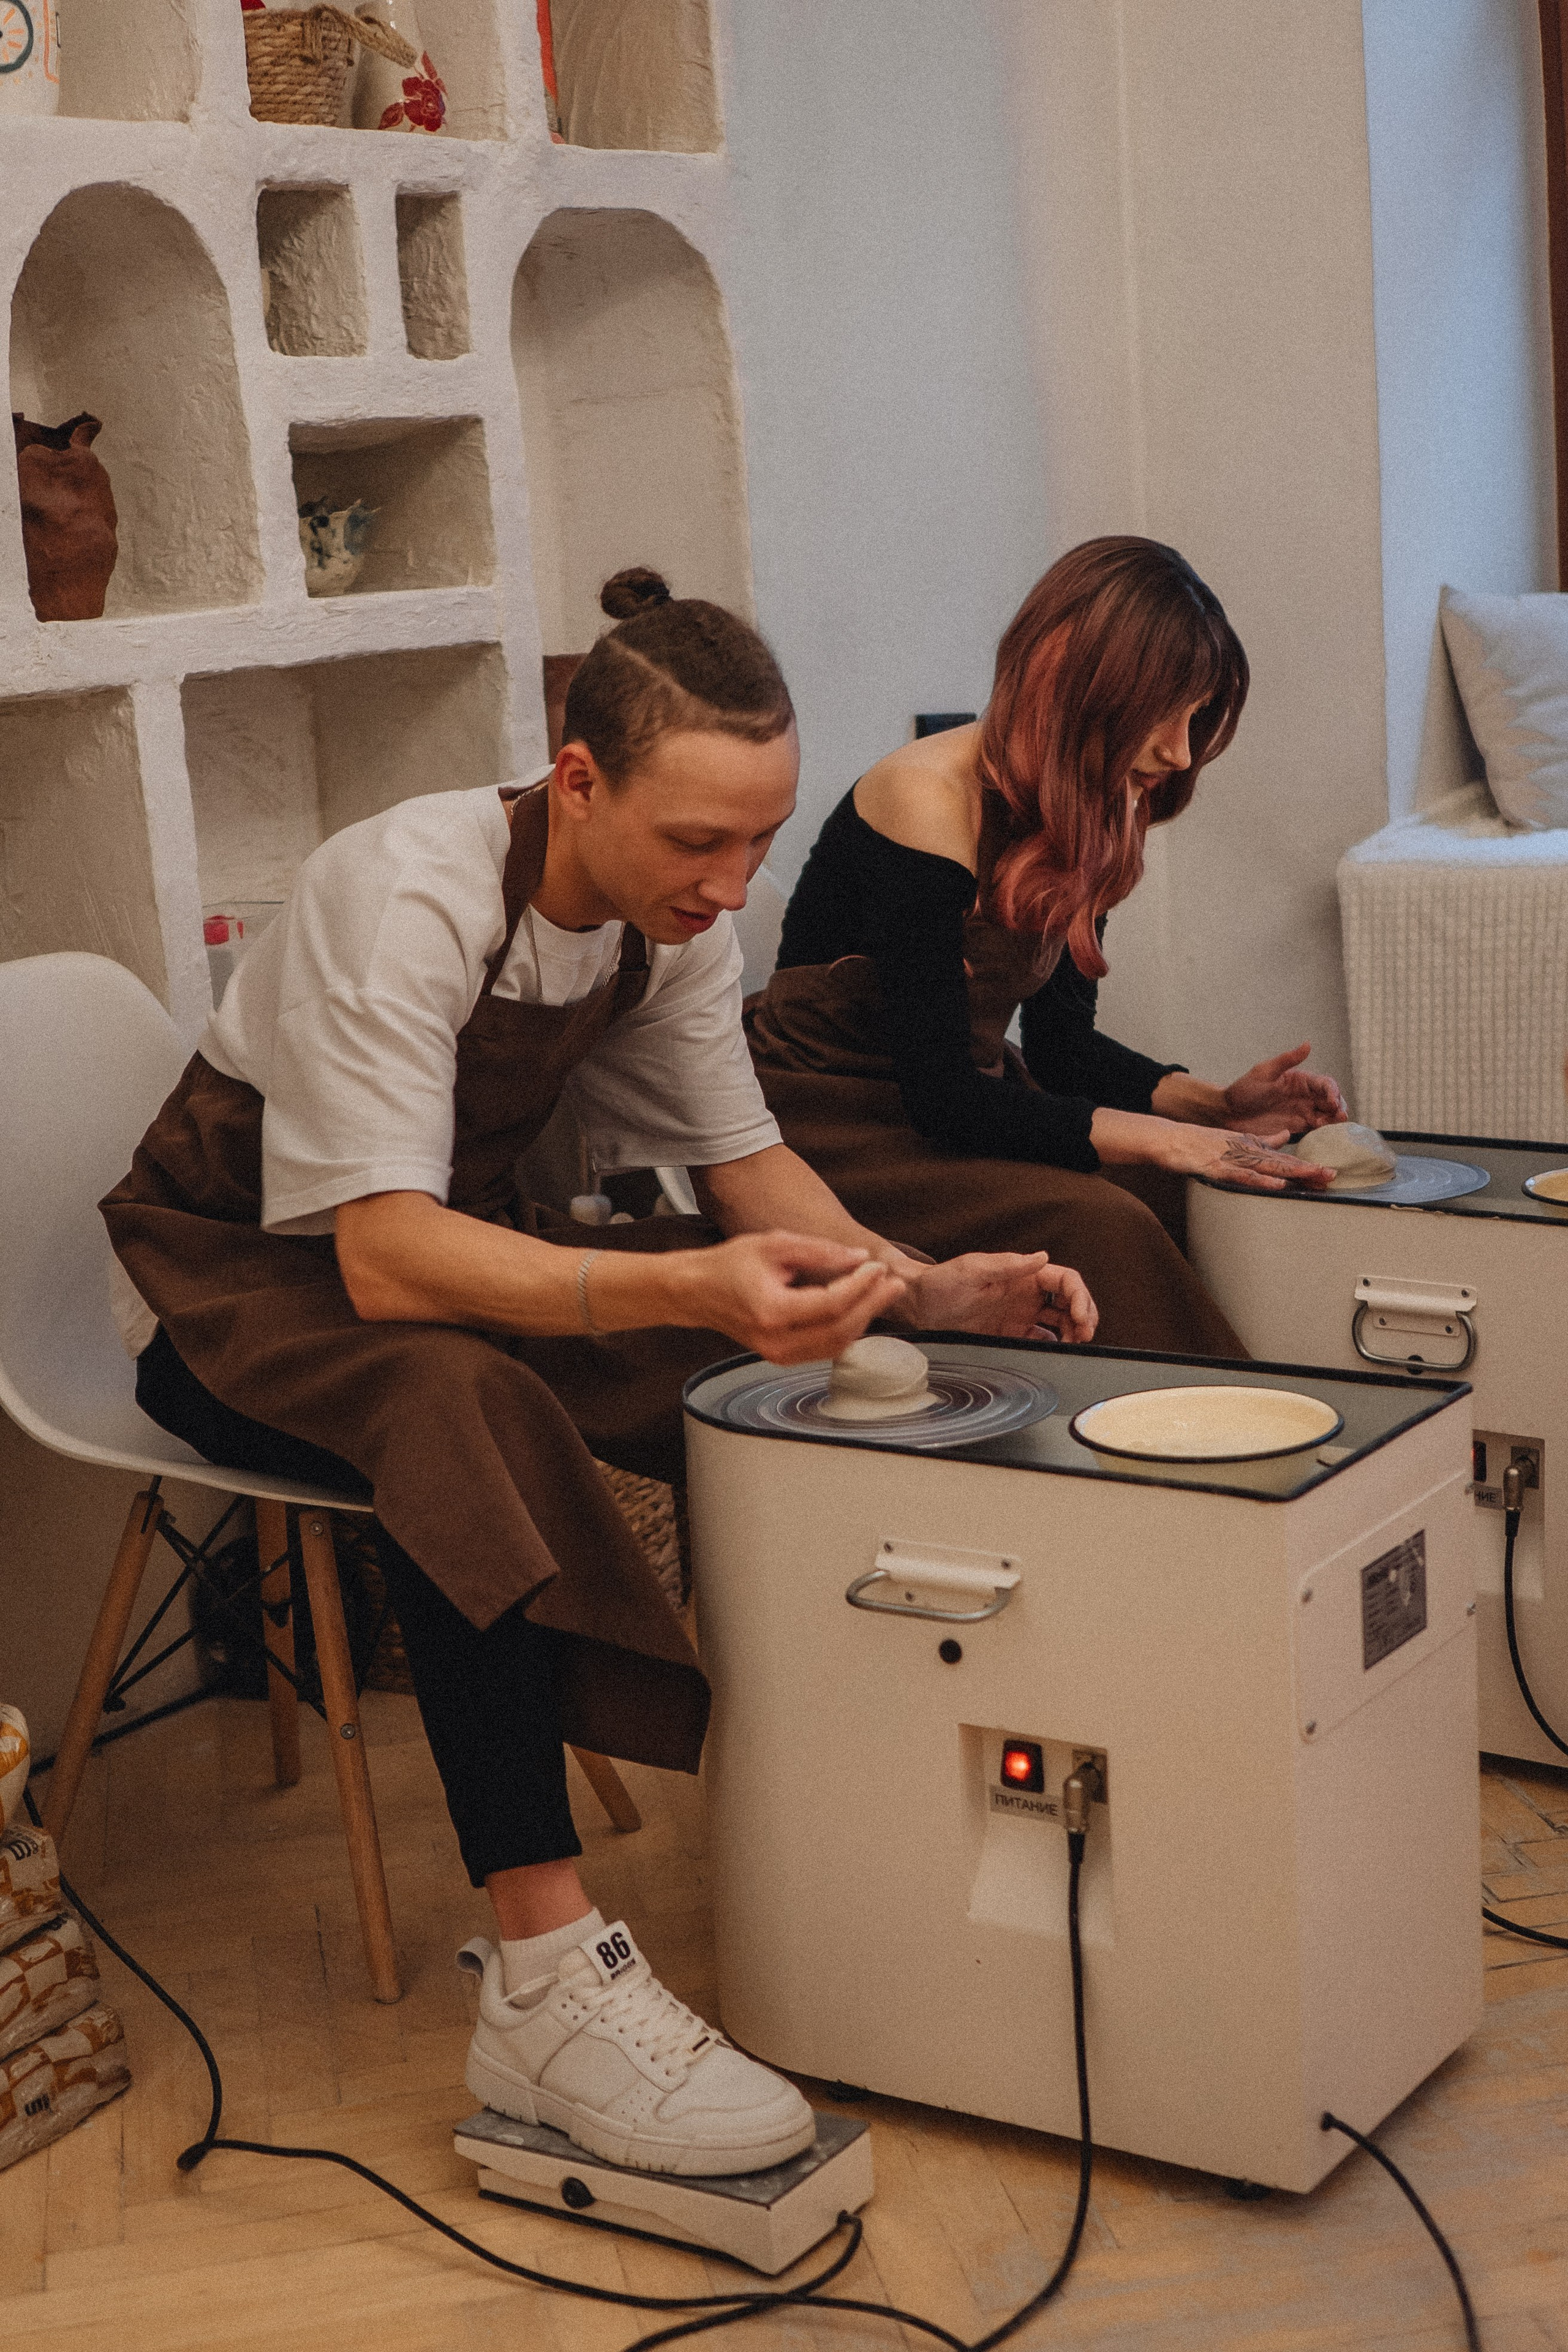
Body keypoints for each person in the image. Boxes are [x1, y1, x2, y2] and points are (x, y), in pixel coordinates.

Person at [101, 568, 1096, 2182]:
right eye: (699, 842)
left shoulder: (667, 926)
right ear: (578, 781)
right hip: (229, 1288)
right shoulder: (403, 890)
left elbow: (747, 1167)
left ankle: (858, 1803)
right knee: (460, 1404)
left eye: (761, 843)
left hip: (444, 1251)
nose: (734, 884)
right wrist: (683, 1282)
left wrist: (917, 1292)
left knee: (783, 1373)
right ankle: (548, 1980)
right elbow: (376, 1264)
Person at [746, 535, 1349, 1357]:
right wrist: (1159, 1135)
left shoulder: (1094, 810)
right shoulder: (925, 799)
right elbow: (943, 1097)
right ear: (1082, 691)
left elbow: (1061, 1051)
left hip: (958, 1108)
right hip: (833, 1121)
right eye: (1164, 714)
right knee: (1104, 1219)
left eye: (1195, 717)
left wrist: (1213, 1109)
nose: (1178, 752)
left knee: (1186, 1192)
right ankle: (1200, 1454)